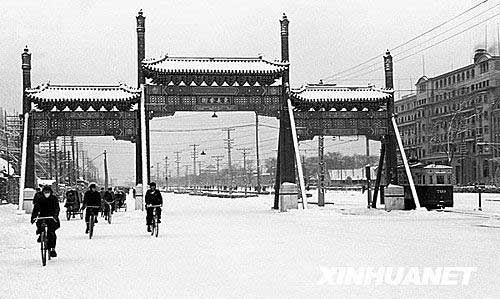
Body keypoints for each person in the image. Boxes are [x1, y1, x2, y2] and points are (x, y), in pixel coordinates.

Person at [31, 185, 60, 257]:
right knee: (39, 225)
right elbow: (36, 209)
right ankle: (41, 234)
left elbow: (57, 208)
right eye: (45, 192)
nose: (47, 194)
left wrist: (55, 216)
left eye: (48, 192)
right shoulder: (40, 199)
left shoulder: (54, 199)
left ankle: (53, 249)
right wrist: (33, 217)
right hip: (42, 216)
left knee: (51, 233)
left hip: (51, 217)